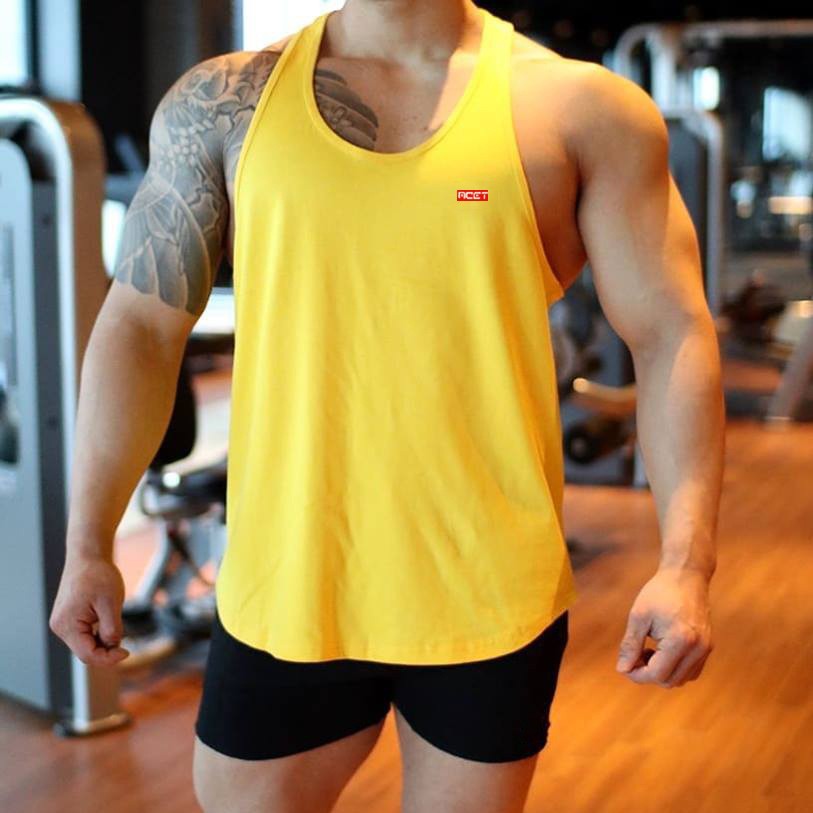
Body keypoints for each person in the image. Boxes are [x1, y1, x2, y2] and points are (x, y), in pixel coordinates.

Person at [49, 1, 724, 811]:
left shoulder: (577, 109)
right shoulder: (222, 102)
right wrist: (88, 540)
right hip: (287, 583)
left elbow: (670, 334)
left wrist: (685, 565)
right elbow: (140, 327)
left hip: (489, 590)